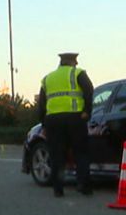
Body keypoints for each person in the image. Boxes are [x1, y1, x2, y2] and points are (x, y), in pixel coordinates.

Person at [36, 52, 94, 197]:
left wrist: (43, 124)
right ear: (72, 61)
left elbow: (41, 104)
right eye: (76, 61)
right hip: (75, 118)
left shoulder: (48, 78)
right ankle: (83, 185)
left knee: (57, 154)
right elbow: (89, 91)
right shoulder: (78, 73)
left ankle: (58, 188)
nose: (77, 63)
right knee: (80, 152)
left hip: (53, 120)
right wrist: (87, 111)